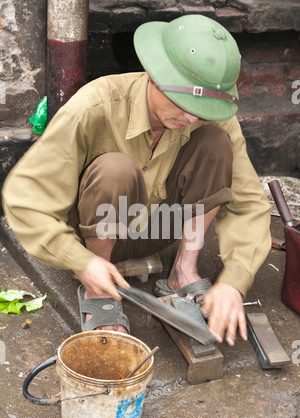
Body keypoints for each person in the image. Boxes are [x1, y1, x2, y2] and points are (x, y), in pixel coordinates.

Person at [2, 14, 271, 346]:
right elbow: (23, 199)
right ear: (155, 77)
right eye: (183, 103)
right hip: (94, 235)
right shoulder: (95, 106)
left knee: (216, 142)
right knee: (116, 169)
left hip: (160, 229)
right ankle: (98, 289)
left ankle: (183, 272)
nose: (190, 117)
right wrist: (81, 262)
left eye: (200, 110)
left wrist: (234, 281)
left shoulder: (207, 119)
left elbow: (250, 206)